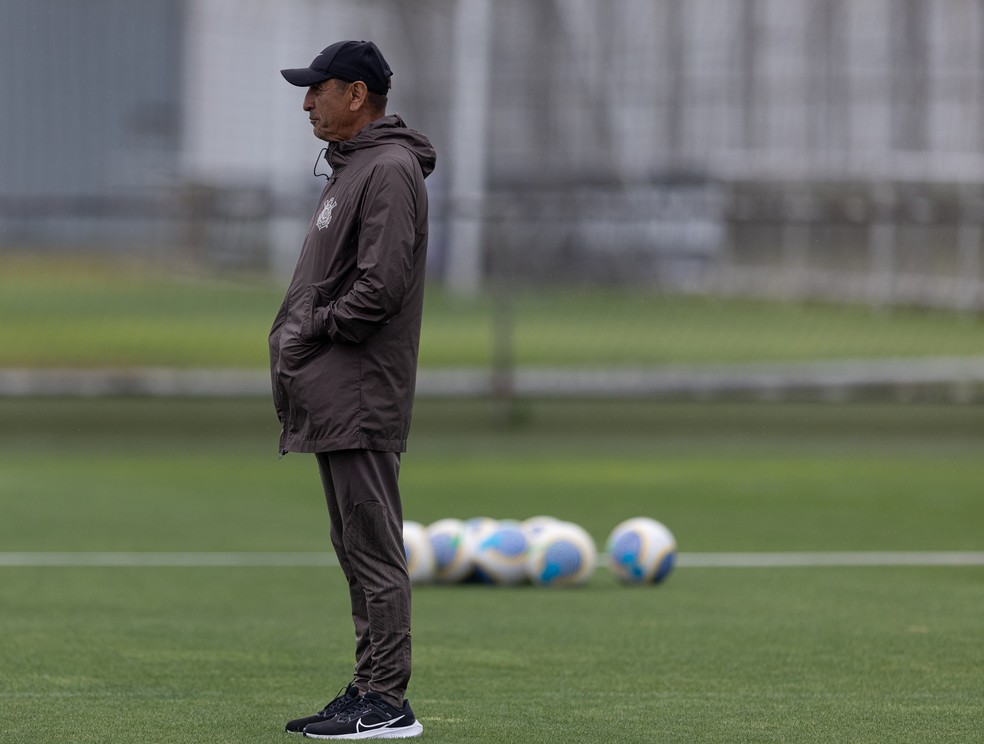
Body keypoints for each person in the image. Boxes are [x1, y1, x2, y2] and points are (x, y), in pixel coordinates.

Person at [269, 39, 435, 740]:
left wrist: (312, 328)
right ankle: (367, 687)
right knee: (353, 544)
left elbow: (380, 286)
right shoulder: (354, 168)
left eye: (319, 89)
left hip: (358, 390)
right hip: (334, 391)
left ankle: (389, 703)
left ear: (356, 94)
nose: (308, 102)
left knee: (372, 546)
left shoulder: (390, 169)